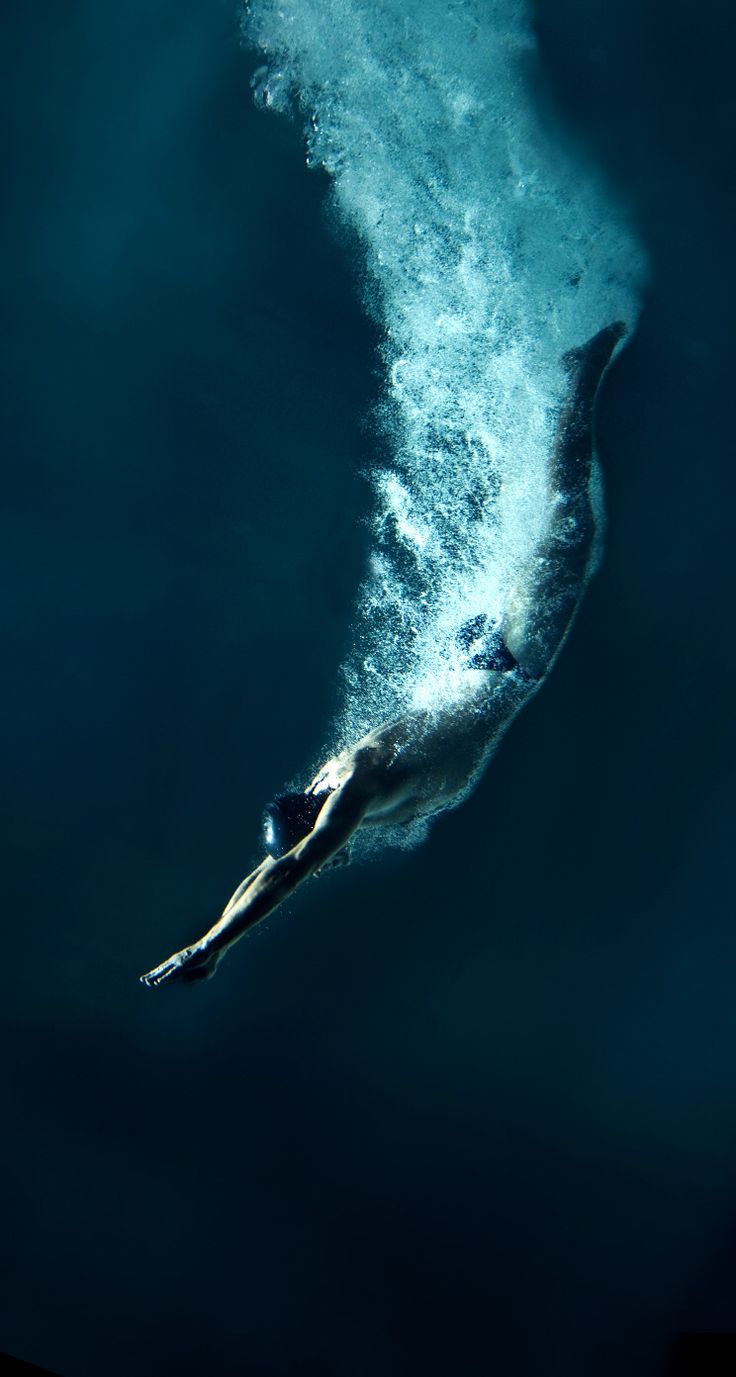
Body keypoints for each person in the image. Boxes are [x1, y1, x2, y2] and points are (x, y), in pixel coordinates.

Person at [141, 322, 625, 987]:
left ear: (317, 820)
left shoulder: (355, 787)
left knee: (566, 522)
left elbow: (288, 869)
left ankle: (578, 376)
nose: (327, 854)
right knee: (539, 524)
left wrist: (216, 943)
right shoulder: (335, 788)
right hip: (471, 667)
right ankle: (541, 403)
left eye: (320, 843)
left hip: (503, 664)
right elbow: (272, 864)